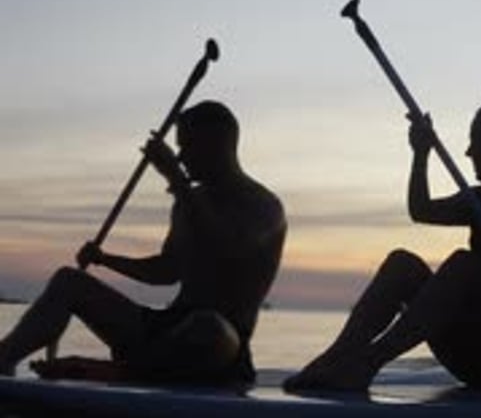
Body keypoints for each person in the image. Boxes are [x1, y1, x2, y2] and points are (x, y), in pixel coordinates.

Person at [0, 100, 287, 384]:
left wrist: (177, 182)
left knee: (207, 326)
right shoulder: (189, 201)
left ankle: (119, 370)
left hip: (221, 347)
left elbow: (227, 250)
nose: (181, 157)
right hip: (164, 331)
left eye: (187, 146)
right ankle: (5, 359)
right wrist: (105, 259)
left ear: (216, 145)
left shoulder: (264, 207)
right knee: (68, 282)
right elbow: (166, 271)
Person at [285, 98, 481, 393]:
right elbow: (421, 210)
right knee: (403, 264)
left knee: (466, 264)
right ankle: (336, 358)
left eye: (477, 142)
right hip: (467, 352)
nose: (468, 152)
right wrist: (421, 154)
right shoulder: (478, 201)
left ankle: (368, 363)